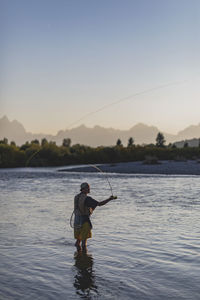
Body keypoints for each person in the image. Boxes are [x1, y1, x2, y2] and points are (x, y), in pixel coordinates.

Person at [74, 182, 115, 252]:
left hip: (76, 221)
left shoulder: (76, 197)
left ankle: (78, 257)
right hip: (84, 222)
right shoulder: (87, 199)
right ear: (84, 189)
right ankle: (84, 258)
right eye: (88, 188)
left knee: (78, 242)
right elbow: (100, 204)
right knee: (83, 244)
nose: (89, 189)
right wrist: (109, 199)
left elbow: (85, 207)